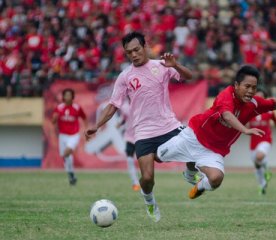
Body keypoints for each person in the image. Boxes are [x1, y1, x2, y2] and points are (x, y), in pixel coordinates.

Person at [85, 32, 195, 222]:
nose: (134, 55)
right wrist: (97, 126)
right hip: (143, 133)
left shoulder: (161, 66)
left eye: (136, 49)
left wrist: (175, 65)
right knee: (147, 178)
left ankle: (190, 173)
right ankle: (149, 201)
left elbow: (189, 76)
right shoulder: (125, 76)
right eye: (129, 52)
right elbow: (113, 105)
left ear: (145, 47)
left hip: (169, 126)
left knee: (195, 143)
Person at [157, 65, 276, 199]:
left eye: (254, 88)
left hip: (214, 150)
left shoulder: (254, 103)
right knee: (156, 156)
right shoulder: (226, 95)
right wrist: (245, 129)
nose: (250, 91)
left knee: (216, 179)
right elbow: (227, 115)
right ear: (236, 85)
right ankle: (189, 173)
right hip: (194, 136)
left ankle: (200, 186)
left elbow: (272, 104)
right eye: (247, 86)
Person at [248, 89, 276, 195]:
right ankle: (262, 185)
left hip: (266, 139)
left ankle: (267, 167)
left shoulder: (269, 110)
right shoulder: (249, 110)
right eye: (256, 97)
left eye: (261, 97)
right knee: (257, 165)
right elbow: (244, 124)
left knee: (259, 157)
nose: (259, 99)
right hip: (253, 142)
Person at [52, 88, 88, 185]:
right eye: (66, 95)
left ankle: (71, 173)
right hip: (62, 135)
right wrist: (54, 119)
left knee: (67, 152)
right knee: (65, 156)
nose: (67, 97)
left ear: (72, 97)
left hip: (74, 135)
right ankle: (71, 174)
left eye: (69, 95)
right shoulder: (59, 108)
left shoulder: (77, 107)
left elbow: (84, 117)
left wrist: (86, 129)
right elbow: (53, 121)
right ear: (63, 97)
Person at [117, 97, 141, 191]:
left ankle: (144, 181)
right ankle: (135, 182)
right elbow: (123, 117)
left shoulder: (142, 104)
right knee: (130, 160)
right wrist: (120, 123)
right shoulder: (125, 106)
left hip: (141, 136)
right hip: (130, 137)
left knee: (143, 161)